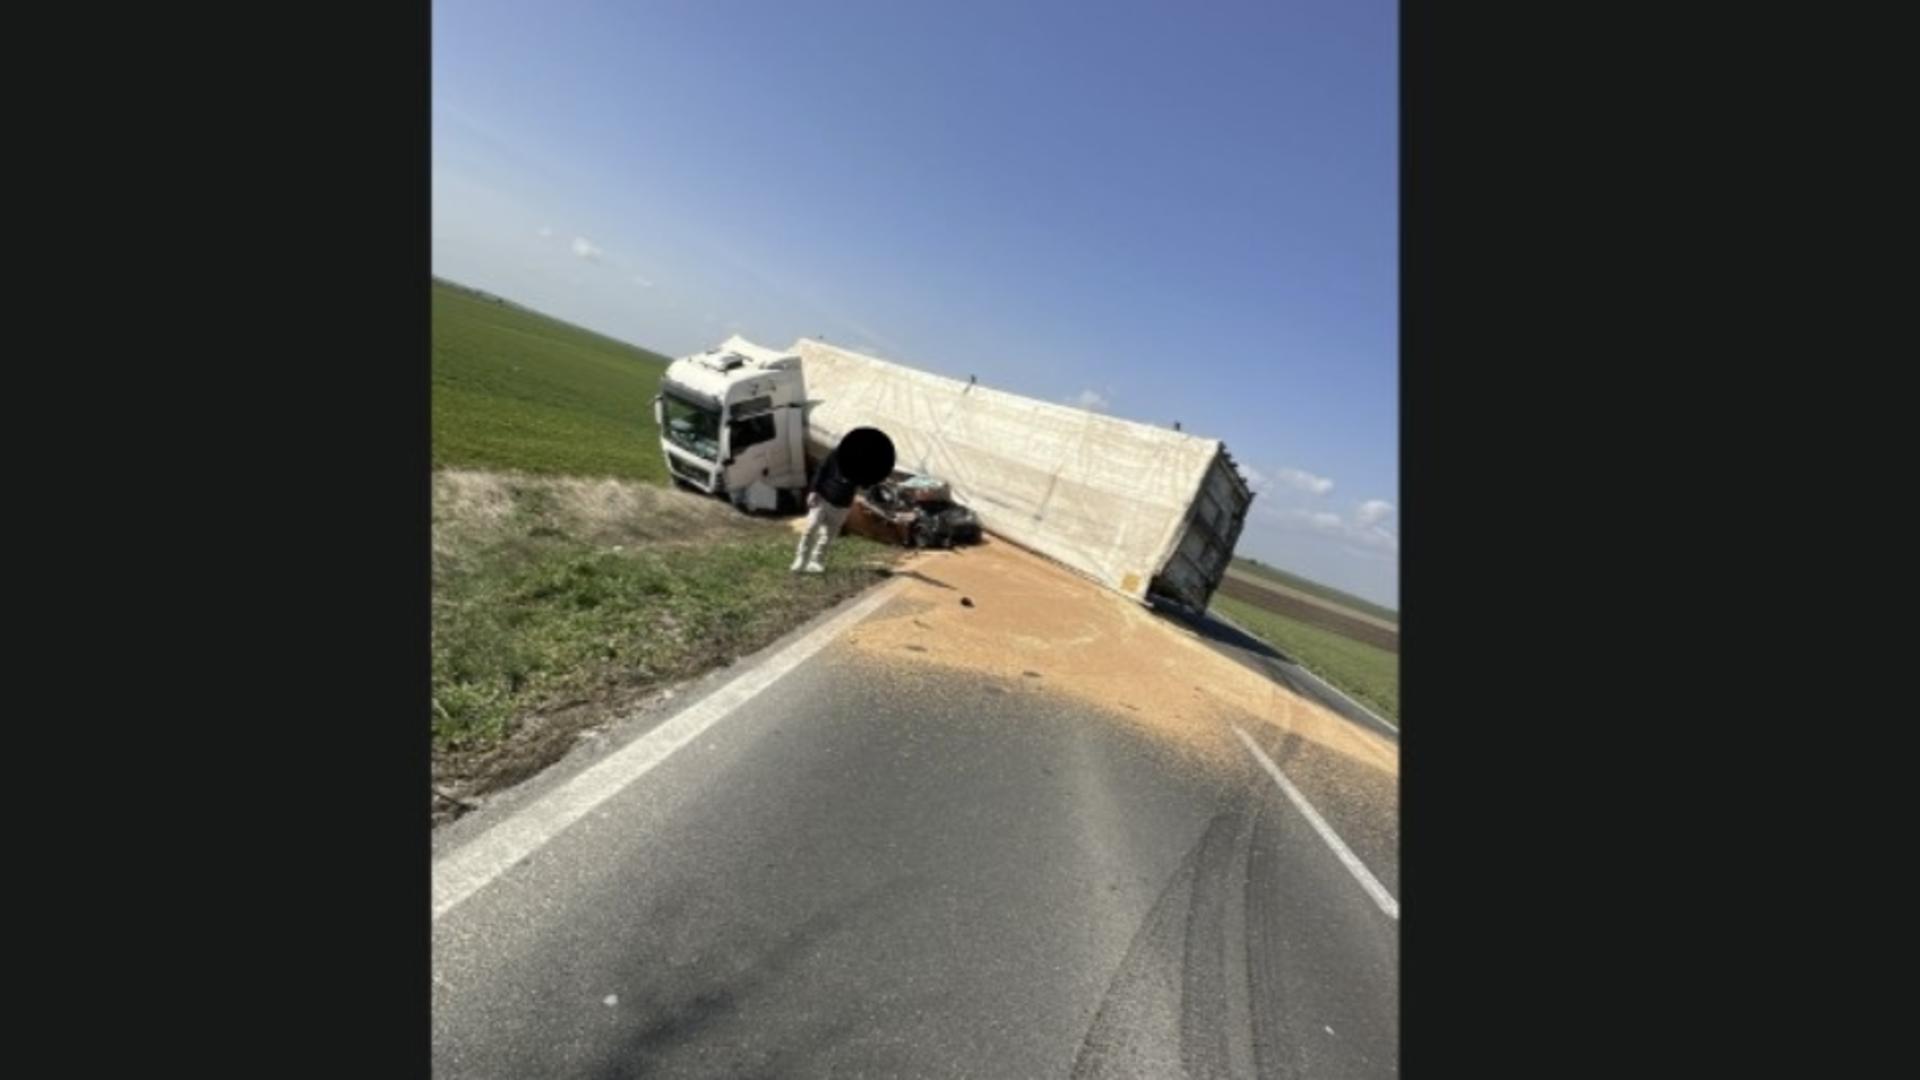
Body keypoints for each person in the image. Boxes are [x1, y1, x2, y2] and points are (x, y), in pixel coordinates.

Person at [792, 442, 859, 573]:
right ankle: (801, 559)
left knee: (828, 536)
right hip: (823, 497)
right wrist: (813, 491)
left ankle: (816, 561)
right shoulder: (836, 453)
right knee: (810, 528)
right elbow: (821, 470)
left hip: (842, 504)